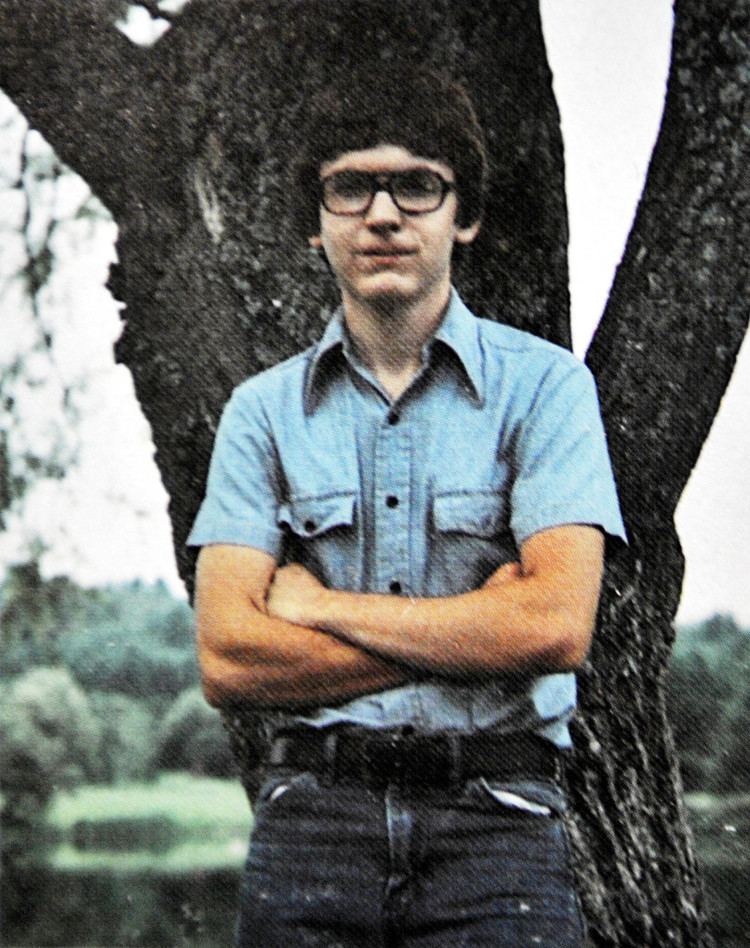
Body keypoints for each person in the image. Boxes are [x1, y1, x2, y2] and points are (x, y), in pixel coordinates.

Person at [188, 65, 626, 947]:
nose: (383, 215)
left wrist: (319, 609)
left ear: (462, 215)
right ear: (316, 224)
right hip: (313, 827)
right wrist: (472, 635)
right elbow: (230, 661)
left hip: (497, 825)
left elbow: (555, 630)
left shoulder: (546, 391)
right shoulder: (262, 414)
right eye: (351, 188)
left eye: (417, 186)